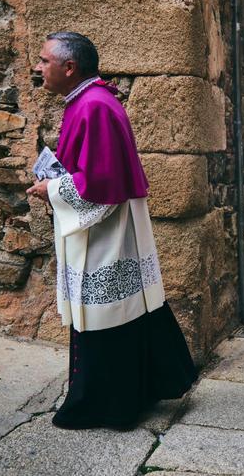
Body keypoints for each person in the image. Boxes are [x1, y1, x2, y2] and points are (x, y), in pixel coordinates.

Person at [26, 32, 197, 430]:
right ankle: (131, 395)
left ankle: (107, 406)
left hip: (106, 231)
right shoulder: (88, 100)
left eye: (44, 60)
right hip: (108, 226)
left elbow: (100, 183)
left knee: (106, 315)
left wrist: (50, 188)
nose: (38, 67)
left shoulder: (95, 106)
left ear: (70, 68)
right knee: (120, 312)